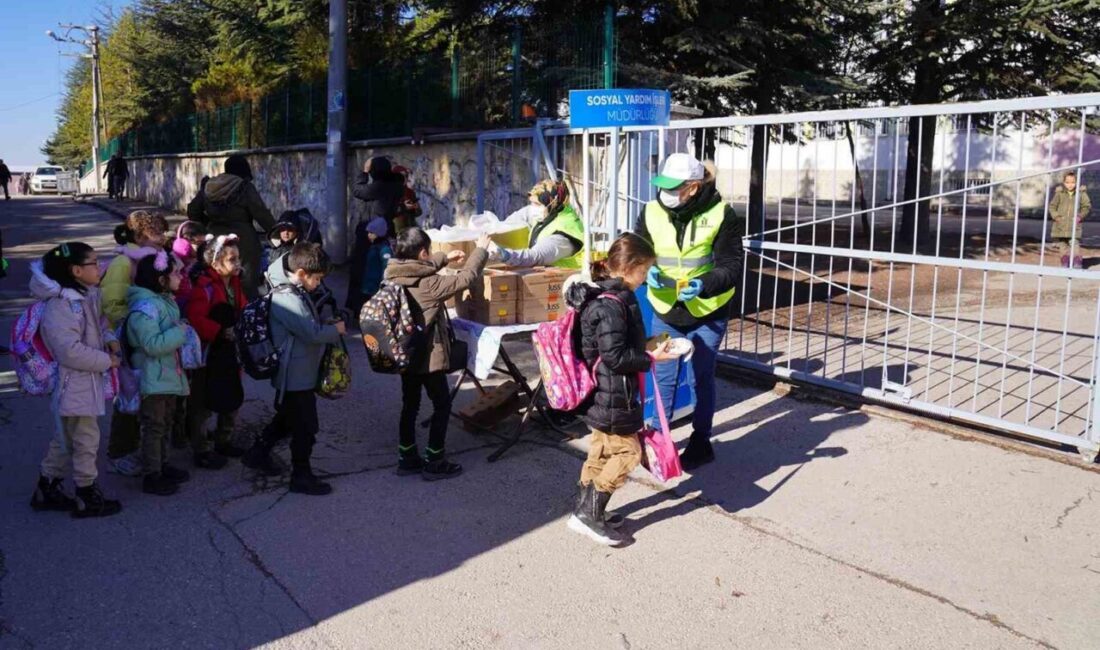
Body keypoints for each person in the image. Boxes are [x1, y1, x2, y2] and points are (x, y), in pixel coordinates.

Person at [565, 234, 679, 546]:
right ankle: (589, 514)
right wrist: (649, 357)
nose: (645, 279)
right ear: (627, 269)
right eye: (643, 272)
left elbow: (614, 347)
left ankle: (584, 510)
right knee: (628, 452)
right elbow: (614, 357)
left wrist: (649, 347)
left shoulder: (611, 298)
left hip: (606, 391)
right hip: (613, 391)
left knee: (602, 448)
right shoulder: (612, 306)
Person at [635, 153, 744, 470]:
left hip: (707, 312)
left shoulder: (722, 214)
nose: (665, 193)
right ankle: (658, 441)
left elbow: (732, 266)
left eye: (674, 187)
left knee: (700, 378)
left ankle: (701, 441)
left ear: (693, 188)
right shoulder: (652, 211)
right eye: (663, 185)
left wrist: (706, 283)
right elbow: (640, 249)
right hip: (665, 310)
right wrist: (648, 268)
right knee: (664, 377)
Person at [384, 227, 491, 480]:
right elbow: (466, 278)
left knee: (410, 405)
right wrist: (481, 250)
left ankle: (407, 457)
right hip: (428, 358)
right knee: (442, 404)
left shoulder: (392, 274)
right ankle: (435, 459)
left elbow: (418, 268)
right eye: (430, 252)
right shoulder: (430, 285)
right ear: (423, 252)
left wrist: (444, 257)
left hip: (405, 354)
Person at [242, 242, 346, 495]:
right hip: (295, 374)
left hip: (297, 370)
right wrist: (336, 330)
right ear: (300, 273)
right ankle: (301, 475)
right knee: (306, 427)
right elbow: (310, 332)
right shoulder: (286, 297)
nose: (318, 284)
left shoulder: (290, 288)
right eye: (317, 278)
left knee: (288, 419)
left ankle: (258, 453)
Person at [28, 243, 123, 518]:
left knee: (66, 438)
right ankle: (87, 494)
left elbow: (100, 326)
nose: (100, 266)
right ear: (76, 270)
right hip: (73, 383)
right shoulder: (61, 306)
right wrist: (107, 361)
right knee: (86, 440)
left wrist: (111, 340)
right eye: (94, 262)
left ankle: (46, 488)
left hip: (84, 381)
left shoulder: (86, 295)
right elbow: (68, 351)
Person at [102, 210, 169, 476]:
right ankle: (119, 451)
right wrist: (132, 326)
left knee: (141, 392)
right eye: (157, 234)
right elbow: (111, 303)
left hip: (139, 334)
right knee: (128, 394)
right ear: (140, 236)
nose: (163, 239)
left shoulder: (148, 258)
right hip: (125, 338)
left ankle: (136, 447)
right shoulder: (124, 263)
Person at [126, 252, 192, 496]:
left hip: (166, 376)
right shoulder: (146, 307)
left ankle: (162, 465)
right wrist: (180, 332)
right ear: (161, 279)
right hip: (152, 378)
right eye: (175, 273)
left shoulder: (163, 301)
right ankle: (151, 474)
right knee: (154, 426)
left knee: (165, 423)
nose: (180, 276)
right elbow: (151, 344)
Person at [187, 235, 247, 469]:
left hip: (231, 350)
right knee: (202, 402)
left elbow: (242, 306)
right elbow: (195, 317)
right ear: (216, 263)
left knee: (232, 394)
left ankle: (224, 439)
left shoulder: (234, 283)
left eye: (238, 258)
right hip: (209, 353)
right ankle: (201, 448)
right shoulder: (206, 287)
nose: (238, 263)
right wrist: (220, 331)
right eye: (232, 259)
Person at [187, 154, 276, 299]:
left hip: (215, 240)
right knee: (247, 282)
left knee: (217, 278)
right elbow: (261, 213)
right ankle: (247, 314)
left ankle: (219, 310)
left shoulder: (210, 186)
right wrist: (276, 233)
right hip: (244, 241)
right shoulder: (244, 187)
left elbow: (193, 211)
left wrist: (208, 223)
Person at [487, 180, 585, 269]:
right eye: (532, 203)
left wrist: (505, 255)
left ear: (552, 204)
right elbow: (521, 216)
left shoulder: (561, 236)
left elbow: (535, 256)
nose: (533, 208)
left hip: (566, 283)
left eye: (537, 204)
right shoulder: (551, 213)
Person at [346, 216, 393, 318]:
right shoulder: (373, 246)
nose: (368, 235)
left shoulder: (384, 249)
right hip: (367, 284)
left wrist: (384, 283)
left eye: (372, 233)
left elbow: (387, 267)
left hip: (375, 285)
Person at [352, 156, 405, 237]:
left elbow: (357, 190)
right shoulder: (397, 186)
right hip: (388, 227)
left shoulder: (378, 188)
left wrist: (365, 171)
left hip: (374, 230)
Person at [1050, 171, 1092, 269]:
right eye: (1067, 182)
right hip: (1061, 225)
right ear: (1064, 183)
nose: (1070, 185)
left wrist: (1080, 216)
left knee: (1074, 243)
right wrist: (1056, 217)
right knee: (1063, 244)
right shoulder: (1059, 194)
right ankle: (1065, 261)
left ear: (1076, 182)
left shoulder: (1081, 194)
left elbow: (1086, 206)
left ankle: (1077, 261)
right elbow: (1052, 207)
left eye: (1073, 182)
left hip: (1074, 225)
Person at [391, 165, 423, 232]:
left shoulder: (410, 192)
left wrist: (416, 207)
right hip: (394, 228)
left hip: (409, 226)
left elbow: (418, 213)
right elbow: (386, 211)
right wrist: (403, 207)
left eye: (405, 176)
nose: (404, 178)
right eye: (400, 176)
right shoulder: (389, 191)